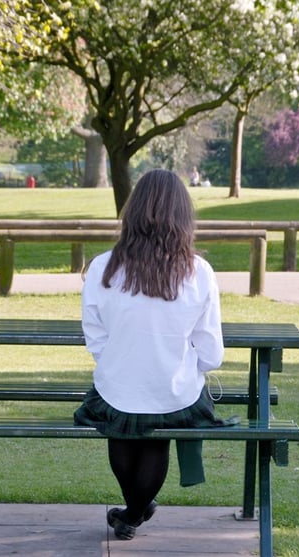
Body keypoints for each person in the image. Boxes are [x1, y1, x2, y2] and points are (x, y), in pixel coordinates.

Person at [74, 168, 236, 541]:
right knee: (156, 435)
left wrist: (122, 364)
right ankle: (132, 512)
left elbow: (95, 336)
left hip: (117, 388)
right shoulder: (199, 272)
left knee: (123, 427)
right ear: (183, 216)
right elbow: (211, 353)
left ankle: (131, 512)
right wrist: (177, 366)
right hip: (175, 392)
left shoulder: (103, 267)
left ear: (131, 212)